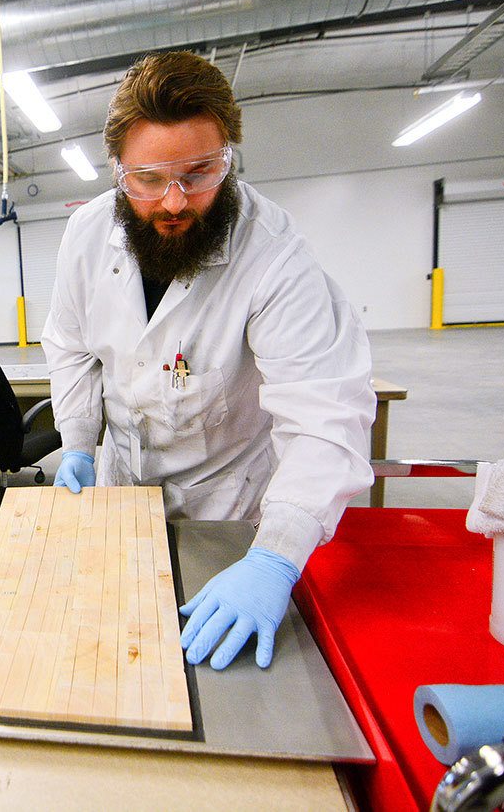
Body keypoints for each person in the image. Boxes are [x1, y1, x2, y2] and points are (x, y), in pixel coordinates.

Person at [42, 51, 374, 671]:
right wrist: (79, 442)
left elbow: (328, 415)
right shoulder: (87, 236)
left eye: (199, 173)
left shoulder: (273, 256)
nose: (174, 202)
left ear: (229, 156)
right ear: (119, 171)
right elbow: (71, 348)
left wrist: (275, 557)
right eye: (148, 179)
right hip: (121, 499)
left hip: (230, 518)